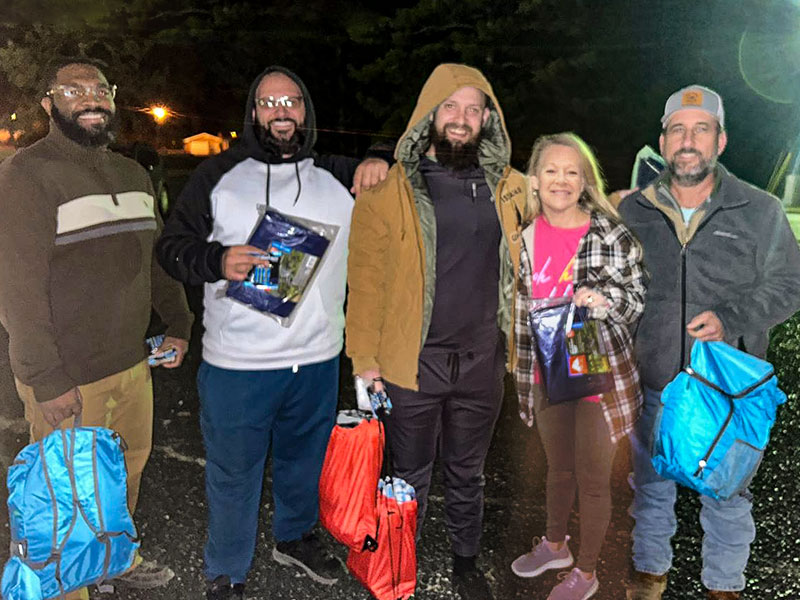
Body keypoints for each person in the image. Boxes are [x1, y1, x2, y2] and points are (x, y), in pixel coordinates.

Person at [155, 66, 388, 600]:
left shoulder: (337, 174)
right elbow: (170, 248)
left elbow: (405, 171)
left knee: (302, 461)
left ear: (305, 111)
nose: (280, 110)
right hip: (237, 365)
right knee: (234, 473)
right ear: (253, 112)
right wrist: (216, 259)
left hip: (318, 360)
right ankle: (226, 569)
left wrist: (378, 154)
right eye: (268, 101)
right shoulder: (217, 175)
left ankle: (295, 536)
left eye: (291, 101)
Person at [0, 59, 193, 599]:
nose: (90, 98)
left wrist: (178, 322)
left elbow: (154, 261)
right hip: (68, 376)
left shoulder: (132, 174)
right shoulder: (26, 175)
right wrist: (45, 377)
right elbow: (17, 288)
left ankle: (113, 559)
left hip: (131, 365)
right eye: (72, 89)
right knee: (67, 496)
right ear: (49, 104)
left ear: (112, 99)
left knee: (126, 471)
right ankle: (69, 588)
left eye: (99, 89)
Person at [345, 63, 528, 600]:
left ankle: (466, 562)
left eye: (474, 109)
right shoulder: (388, 190)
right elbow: (366, 282)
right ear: (429, 115)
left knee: (468, 474)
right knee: (411, 476)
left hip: (481, 362)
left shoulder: (512, 189)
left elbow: (564, 231)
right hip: (410, 365)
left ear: (487, 119)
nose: (461, 119)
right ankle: (403, 561)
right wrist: (365, 361)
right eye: (450, 107)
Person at [620, 85, 800, 600]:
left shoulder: (759, 210)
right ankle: (649, 578)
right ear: (663, 140)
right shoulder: (634, 210)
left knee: (725, 498)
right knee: (651, 494)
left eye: (701, 130)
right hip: (653, 386)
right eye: (678, 129)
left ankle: (724, 587)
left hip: (725, 393)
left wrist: (730, 317)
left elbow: (789, 285)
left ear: (721, 140)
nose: (688, 140)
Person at [509, 133, 645, 600]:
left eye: (572, 172)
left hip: (598, 379)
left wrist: (606, 301)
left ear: (585, 180)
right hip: (545, 373)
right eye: (551, 170)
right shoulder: (522, 236)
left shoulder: (609, 233)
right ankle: (554, 545)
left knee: (591, 478)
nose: (561, 181)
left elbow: (636, 298)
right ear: (535, 179)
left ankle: (586, 573)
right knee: (557, 468)